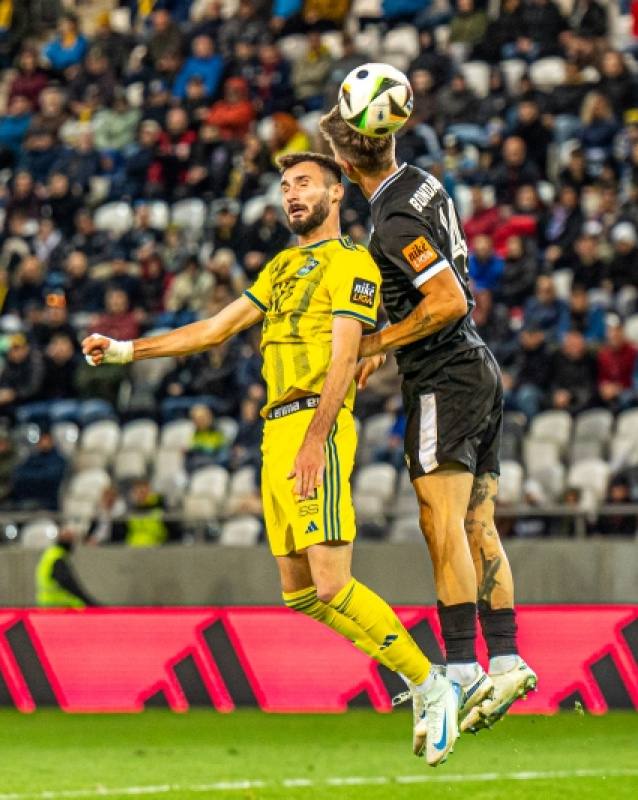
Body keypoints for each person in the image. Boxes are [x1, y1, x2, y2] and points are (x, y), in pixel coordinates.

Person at [82, 152, 459, 768]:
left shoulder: (353, 263)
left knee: (333, 581)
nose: (291, 195)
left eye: (304, 183)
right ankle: (421, 679)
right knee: (301, 594)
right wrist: (125, 350)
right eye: (285, 186)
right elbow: (212, 329)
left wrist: (316, 438)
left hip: (317, 424)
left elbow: (344, 357)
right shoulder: (283, 265)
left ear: (336, 195)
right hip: (274, 434)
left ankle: (430, 680)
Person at [319, 107, 537, 743]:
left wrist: (378, 340)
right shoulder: (420, 181)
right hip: (479, 368)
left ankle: (463, 669)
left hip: (444, 375)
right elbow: (434, 287)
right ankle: (505, 658)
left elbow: (446, 300)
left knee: (440, 522)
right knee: (476, 522)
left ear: (342, 167)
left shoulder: (391, 220)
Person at [36, 527, 99, 608]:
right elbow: (69, 584)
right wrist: (90, 603)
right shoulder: (57, 558)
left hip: (47, 606)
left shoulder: (49, 554)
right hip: (58, 608)